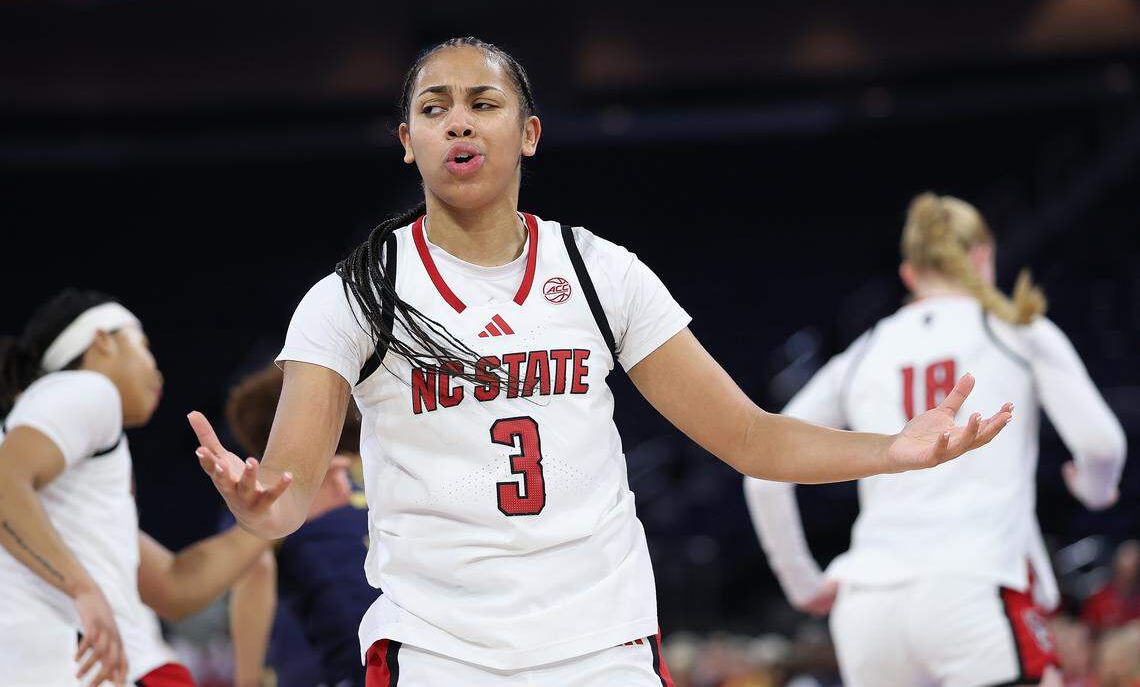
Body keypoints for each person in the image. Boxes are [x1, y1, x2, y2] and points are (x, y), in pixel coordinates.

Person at [189, 37, 1013, 686]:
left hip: (600, 644)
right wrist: (258, 506)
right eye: (434, 109)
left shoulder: (601, 273)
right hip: (438, 650)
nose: (458, 123)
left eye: (484, 103)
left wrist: (891, 452)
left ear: (529, 133)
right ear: (409, 142)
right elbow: (288, 499)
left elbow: (750, 438)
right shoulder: (353, 296)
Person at [744, 193, 1127, 687]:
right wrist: (1094, 487)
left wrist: (803, 583)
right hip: (973, 583)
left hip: (869, 604)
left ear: (909, 274)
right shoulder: (1015, 328)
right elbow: (1101, 444)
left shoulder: (863, 352)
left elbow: (765, 469)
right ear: (983, 256)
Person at [0, 289, 272, 685]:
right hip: (82, 663)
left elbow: (175, 587)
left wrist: (279, 515)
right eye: (143, 345)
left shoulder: (64, 497)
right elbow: (4, 488)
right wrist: (83, 589)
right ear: (102, 340)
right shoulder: (86, 388)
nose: (157, 371)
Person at [225, 364, 373, 687]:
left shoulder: (275, 496)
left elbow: (255, 569)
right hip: (413, 658)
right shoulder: (381, 468)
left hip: (361, 665)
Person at [1082, 540, 1140, 634]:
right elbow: (1089, 630)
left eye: (1134, 568)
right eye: (1123, 570)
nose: (1127, 575)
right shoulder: (1099, 597)